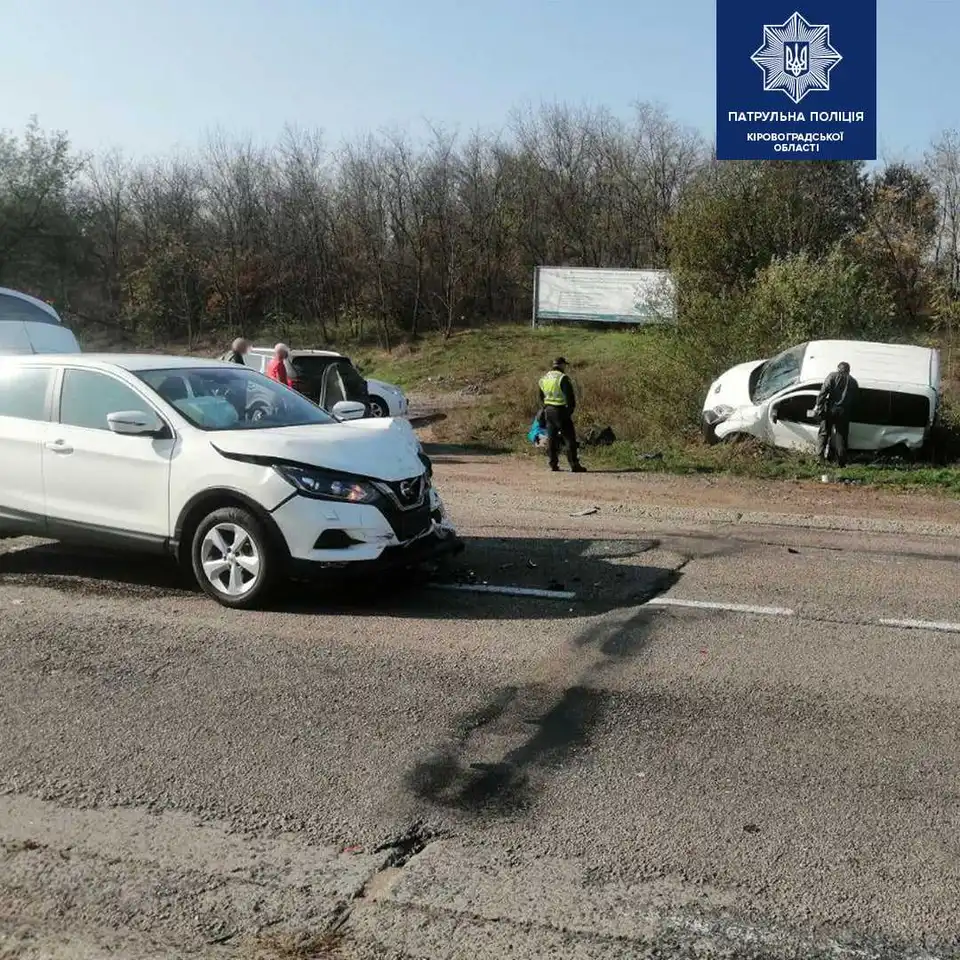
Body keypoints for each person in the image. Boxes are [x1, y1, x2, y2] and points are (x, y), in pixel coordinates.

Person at [538, 357, 586, 473]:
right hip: (560, 410)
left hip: (548, 411)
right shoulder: (562, 378)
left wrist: (545, 408)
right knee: (569, 438)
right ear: (562, 365)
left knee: (552, 438)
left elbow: (540, 397)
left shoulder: (544, 378)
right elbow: (569, 396)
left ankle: (553, 464)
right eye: (565, 365)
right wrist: (569, 411)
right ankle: (574, 465)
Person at [814, 361, 858, 467]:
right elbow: (856, 400)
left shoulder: (832, 376)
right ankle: (841, 463)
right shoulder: (853, 381)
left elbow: (823, 392)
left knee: (824, 434)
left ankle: (819, 459)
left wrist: (818, 407)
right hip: (844, 412)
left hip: (830, 409)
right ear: (849, 370)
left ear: (838, 368)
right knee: (841, 437)